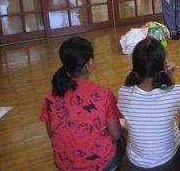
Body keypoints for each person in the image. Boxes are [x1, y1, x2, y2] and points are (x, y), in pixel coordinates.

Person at [40, 37, 124, 170]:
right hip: (101, 165)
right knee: (123, 134)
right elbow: (116, 135)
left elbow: (52, 133)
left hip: (64, 165)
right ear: (90, 64)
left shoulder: (50, 96)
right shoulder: (103, 94)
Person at [117, 39, 180, 170]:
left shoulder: (123, 93)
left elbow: (128, 86)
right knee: (178, 136)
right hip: (169, 162)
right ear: (162, 67)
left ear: (134, 68)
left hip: (136, 164)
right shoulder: (175, 91)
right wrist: (170, 76)